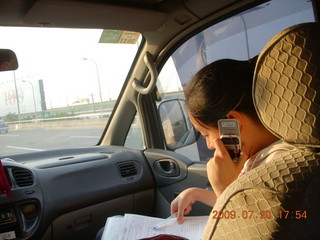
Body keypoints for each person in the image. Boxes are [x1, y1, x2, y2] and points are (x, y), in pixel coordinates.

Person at [171, 57, 296, 224]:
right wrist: (196, 194)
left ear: (232, 123)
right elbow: (252, 208)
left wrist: (224, 190)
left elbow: (255, 225)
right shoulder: (257, 156)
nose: (208, 145)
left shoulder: (279, 168)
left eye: (206, 134)